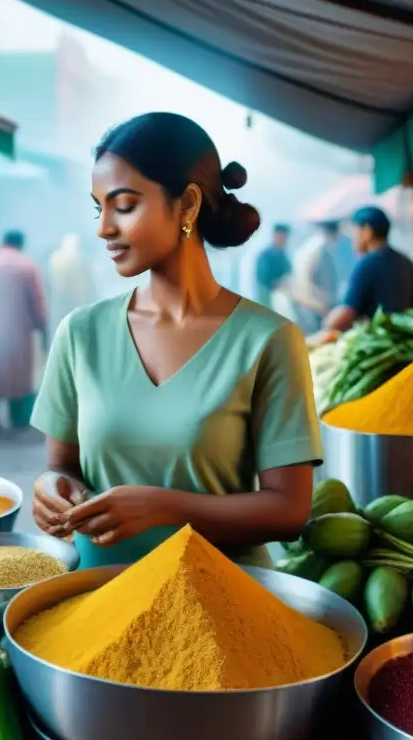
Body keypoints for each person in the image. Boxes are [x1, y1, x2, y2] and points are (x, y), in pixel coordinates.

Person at [30, 112, 322, 569]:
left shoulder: (269, 340)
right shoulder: (80, 334)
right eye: (98, 207)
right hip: (94, 598)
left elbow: (289, 511)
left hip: (225, 609)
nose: (103, 227)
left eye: (123, 205)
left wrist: (165, 508)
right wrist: (51, 488)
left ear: (187, 205)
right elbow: (62, 467)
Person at [0, 230, 48, 435]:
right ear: (21, 244)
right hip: (19, 331)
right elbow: (37, 302)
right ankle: (19, 419)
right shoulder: (27, 267)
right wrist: (42, 328)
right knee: (19, 375)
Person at [324, 205, 413, 331]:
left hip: (384, 342)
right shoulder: (407, 262)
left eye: (354, 231)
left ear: (367, 232)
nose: (352, 238)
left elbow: (346, 314)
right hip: (411, 339)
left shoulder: (368, 264)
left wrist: (326, 329)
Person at [48, 233, 95, 334]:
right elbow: (88, 283)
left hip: (60, 303)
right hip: (76, 304)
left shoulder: (55, 258)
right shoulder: (80, 259)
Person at [254, 224, 293, 310]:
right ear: (275, 236)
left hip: (284, 298)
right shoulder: (265, 255)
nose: (282, 239)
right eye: (280, 236)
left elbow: (289, 274)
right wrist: (277, 284)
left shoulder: (285, 256)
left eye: (284, 237)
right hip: (268, 298)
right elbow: (263, 279)